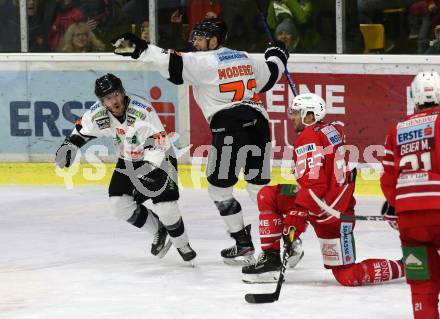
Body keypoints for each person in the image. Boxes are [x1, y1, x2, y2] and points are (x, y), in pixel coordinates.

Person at [112, 18, 289, 265]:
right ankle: (289, 241)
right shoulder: (245, 58)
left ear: (214, 40)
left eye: (199, 37)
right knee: (258, 188)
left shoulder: (202, 61)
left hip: (230, 127)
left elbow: (168, 59)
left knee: (219, 189)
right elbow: (271, 74)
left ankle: (243, 244)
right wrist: (278, 53)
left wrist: (140, 48)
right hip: (258, 124)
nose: (194, 42)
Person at [242, 93, 406, 286]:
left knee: (348, 275)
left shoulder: (308, 139)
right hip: (328, 203)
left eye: (296, 113)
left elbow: (315, 184)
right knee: (269, 196)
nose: (292, 117)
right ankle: (271, 259)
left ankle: (408, 266)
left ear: (309, 116)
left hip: (328, 212)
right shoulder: (331, 129)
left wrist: (297, 215)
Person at [55, 73, 196, 263]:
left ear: (122, 92)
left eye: (116, 95)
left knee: (166, 207)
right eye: (108, 98)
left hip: (160, 157)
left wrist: (146, 174)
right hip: (129, 158)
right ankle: (159, 230)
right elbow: (81, 131)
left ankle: (182, 244)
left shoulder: (142, 111)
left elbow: (158, 144)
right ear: (102, 101)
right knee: (118, 205)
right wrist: (69, 147)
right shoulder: (98, 113)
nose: (114, 101)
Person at [381, 71, 440, 319]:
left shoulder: (397, 129)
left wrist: (400, 206)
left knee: (422, 284)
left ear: (414, 98)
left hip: (410, 220)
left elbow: (387, 177)